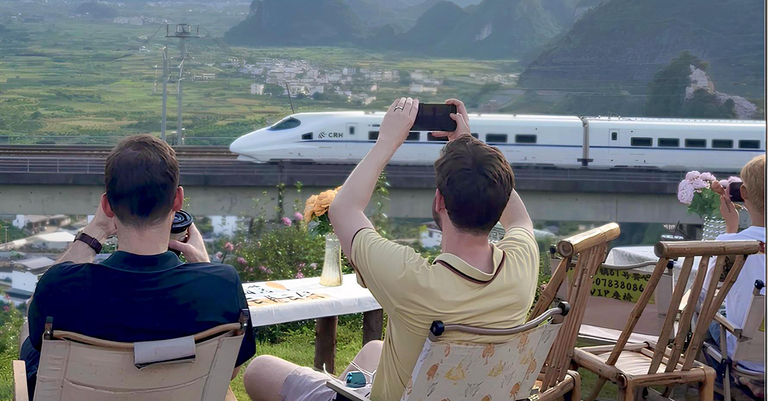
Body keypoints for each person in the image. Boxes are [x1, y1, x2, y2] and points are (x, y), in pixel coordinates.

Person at [244, 97, 539, 401]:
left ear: (439, 201)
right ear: (501, 202)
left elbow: (343, 209)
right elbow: (519, 218)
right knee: (374, 350)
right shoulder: (521, 263)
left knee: (260, 369)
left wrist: (388, 140)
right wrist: (468, 145)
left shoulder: (414, 282)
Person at [19, 135, 256, 398]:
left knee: (30, 329)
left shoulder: (60, 287)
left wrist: (94, 232)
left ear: (107, 206)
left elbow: (36, 314)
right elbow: (228, 371)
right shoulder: (223, 283)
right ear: (178, 200)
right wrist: (205, 268)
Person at [700, 154, 765, 387]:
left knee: (701, 310)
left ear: (744, 194)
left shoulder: (732, 244)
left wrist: (730, 228)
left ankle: (716, 385)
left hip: (747, 358)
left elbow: (707, 289)